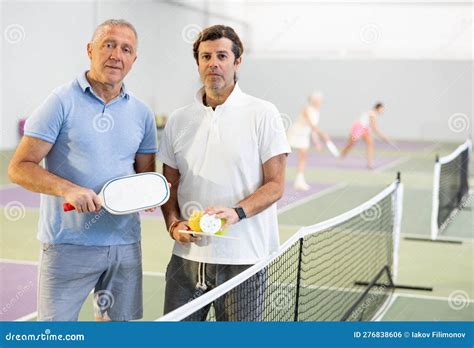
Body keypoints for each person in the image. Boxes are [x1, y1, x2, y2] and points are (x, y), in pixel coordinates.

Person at [8, 19, 158, 321]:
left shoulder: (142, 113)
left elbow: (146, 179)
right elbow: (19, 167)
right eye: (109, 45)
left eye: (126, 49)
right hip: (67, 246)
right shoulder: (60, 102)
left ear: (133, 59)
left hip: (124, 246)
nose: (117, 54)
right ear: (90, 50)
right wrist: (68, 189)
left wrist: (150, 197)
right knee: (54, 336)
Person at [158, 25, 291, 320]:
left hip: (243, 260)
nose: (213, 63)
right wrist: (173, 224)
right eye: (206, 57)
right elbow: (169, 184)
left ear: (237, 62)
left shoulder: (264, 113)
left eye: (221, 55)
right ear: (198, 63)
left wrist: (236, 213)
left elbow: (276, 185)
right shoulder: (179, 120)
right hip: (186, 261)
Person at [287, 92, 339, 190]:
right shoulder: (306, 109)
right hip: (294, 134)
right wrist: (323, 134)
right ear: (314, 100)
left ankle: (299, 181)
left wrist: (317, 142)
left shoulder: (317, 112)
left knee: (303, 157)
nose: (321, 102)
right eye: (319, 100)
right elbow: (312, 125)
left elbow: (312, 129)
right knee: (283, 156)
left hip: (304, 136)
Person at [339, 102, 393, 169]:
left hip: (365, 129)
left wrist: (383, 137)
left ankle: (370, 163)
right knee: (350, 144)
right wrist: (384, 137)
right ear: (378, 108)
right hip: (358, 128)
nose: (382, 111)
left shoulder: (374, 114)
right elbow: (374, 129)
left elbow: (371, 127)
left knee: (370, 143)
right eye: (382, 109)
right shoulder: (372, 114)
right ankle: (341, 156)